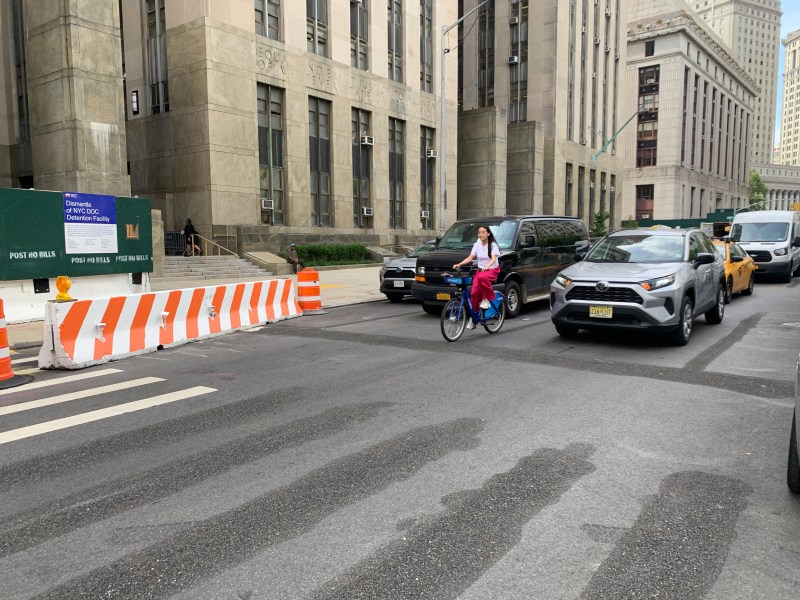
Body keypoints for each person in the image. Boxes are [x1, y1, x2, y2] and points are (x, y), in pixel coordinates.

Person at [453, 225, 500, 330]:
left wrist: (488, 266)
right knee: (474, 294)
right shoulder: (477, 244)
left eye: (483, 232)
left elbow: (493, 258)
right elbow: (470, 257)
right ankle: (474, 318)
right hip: (481, 271)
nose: (481, 234)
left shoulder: (493, 245)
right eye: (479, 233)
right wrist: (459, 264)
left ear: (488, 234)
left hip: (492, 270)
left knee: (482, 278)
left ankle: (487, 299)